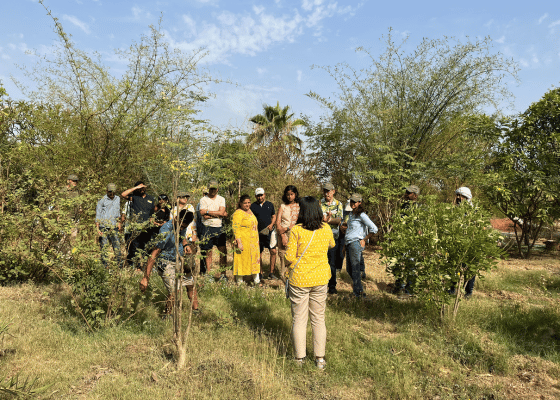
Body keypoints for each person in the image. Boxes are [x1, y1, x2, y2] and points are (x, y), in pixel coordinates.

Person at [285, 196, 335, 369]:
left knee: (299, 319)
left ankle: (299, 359)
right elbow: (331, 244)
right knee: (318, 319)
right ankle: (320, 359)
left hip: (299, 279)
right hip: (321, 278)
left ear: (303, 211)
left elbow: (290, 257)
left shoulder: (296, 230)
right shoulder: (326, 229)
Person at [139, 209, 199, 314]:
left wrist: (186, 245)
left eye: (184, 227)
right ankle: (166, 315)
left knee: (191, 285)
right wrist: (145, 277)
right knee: (175, 291)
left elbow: (182, 238)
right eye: (180, 225)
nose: (182, 228)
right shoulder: (166, 230)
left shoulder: (183, 227)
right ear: (176, 218)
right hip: (165, 262)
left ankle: (196, 311)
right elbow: (154, 253)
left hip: (180, 260)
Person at [341, 193, 378, 298]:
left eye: (355, 202)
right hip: (348, 243)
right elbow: (349, 231)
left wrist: (365, 239)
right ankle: (358, 289)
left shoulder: (362, 215)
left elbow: (374, 228)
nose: (353, 203)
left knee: (355, 268)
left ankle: (358, 293)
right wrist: (344, 245)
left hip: (355, 243)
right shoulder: (351, 215)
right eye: (352, 201)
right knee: (349, 269)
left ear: (359, 203)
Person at [121, 181, 156, 270]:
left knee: (146, 247)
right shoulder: (134, 197)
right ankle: (133, 267)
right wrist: (135, 188)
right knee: (134, 247)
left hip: (147, 228)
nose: (141, 189)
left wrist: (151, 223)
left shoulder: (151, 198)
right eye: (139, 188)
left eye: (142, 187)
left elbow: (152, 213)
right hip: (136, 227)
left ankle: (144, 266)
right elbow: (123, 194)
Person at [393, 185, 420, 295]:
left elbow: (419, 227)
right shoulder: (404, 206)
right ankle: (399, 286)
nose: (406, 194)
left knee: (411, 265)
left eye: (409, 193)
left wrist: (417, 240)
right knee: (397, 263)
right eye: (407, 192)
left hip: (412, 240)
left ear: (415, 195)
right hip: (401, 239)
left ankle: (409, 290)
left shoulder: (419, 207)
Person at [199, 180, 228, 282]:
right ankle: (209, 274)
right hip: (207, 227)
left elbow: (222, 212)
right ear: (208, 189)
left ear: (217, 189)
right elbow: (203, 214)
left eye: (214, 188)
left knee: (223, 251)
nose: (213, 190)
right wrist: (219, 213)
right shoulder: (203, 199)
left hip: (219, 227)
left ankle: (223, 275)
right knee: (208, 251)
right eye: (211, 188)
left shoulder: (221, 199)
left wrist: (208, 212)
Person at [450, 186, 476, 298]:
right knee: (454, 267)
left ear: (466, 197)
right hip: (456, 243)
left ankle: (467, 293)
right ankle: (452, 290)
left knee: (469, 269)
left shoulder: (473, 211)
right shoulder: (456, 210)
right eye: (457, 196)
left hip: (469, 244)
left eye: (460, 196)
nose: (458, 198)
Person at [320, 183, 343, 294]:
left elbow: (338, 220)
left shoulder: (338, 204)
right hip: (321, 238)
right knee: (321, 262)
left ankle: (332, 286)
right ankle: (321, 285)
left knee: (332, 262)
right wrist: (326, 220)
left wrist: (327, 220)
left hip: (334, 238)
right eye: (325, 191)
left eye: (329, 191)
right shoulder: (319, 203)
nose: (326, 193)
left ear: (333, 191)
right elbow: (318, 218)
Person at [250, 188, 278, 280]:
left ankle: (271, 273)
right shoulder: (252, 206)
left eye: (261, 195)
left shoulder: (270, 204)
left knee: (273, 251)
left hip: (269, 232)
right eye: (258, 195)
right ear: (255, 196)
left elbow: (274, 216)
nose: (260, 197)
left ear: (264, 195)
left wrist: (272, 224)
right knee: (259, 253)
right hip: (258, 234)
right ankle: (260, 273)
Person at [232, 194, 261, 285]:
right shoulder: (238, 213)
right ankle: (240, 282)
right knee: (241, 260)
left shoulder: (250, 211)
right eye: (245, 203)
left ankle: (256, 280)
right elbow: (236, 228)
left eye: (249, 202)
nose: (247, 205)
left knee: (254, 261)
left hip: (253, 242)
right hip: (243, 241)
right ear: (240, 203)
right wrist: (239, 242)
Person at [276, 185, 300, 282]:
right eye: (288, 195)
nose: (290, 197)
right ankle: (283, 279)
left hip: (295, 233)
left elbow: (299, 222)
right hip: (283, 233)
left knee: (294, 256)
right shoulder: (283, 206)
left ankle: (293, 279)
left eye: (292, 194)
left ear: (295, 194)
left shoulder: (299, 206)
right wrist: (282, 235)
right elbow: (278, 223)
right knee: (283, 255)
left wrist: (289, 228)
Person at [95, 183, 122, 268]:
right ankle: (105, 266)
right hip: (104, 227)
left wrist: (119, 223)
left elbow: (118, 212)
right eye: (110, 192)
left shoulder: (118, 199)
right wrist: (97, 228)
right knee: (104, 247)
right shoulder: (102, 200)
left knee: (117, 246)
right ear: (107, 191)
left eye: (113, 192)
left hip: (114, 227)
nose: (112, 194)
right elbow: (98, 214)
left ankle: (119, 266)